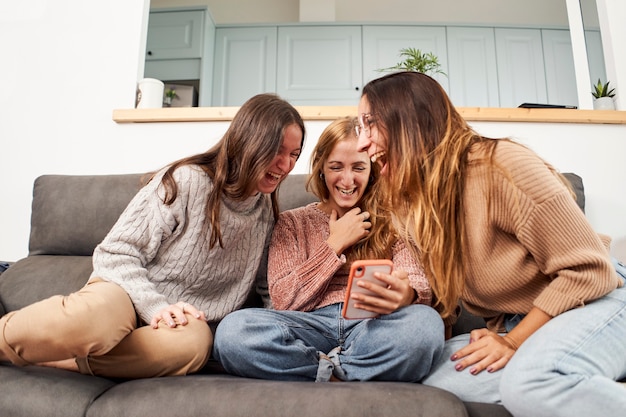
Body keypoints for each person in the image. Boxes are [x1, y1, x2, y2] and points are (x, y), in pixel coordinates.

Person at [355, 71, 626, 417]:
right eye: (358, 127)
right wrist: (407, 296)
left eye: (370, 124)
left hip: (600, 300)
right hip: (522, 323)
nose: (362, 143)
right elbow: (447, 303)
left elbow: (590, 271)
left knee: (530, 383)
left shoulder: (502, 167)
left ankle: (556, 374)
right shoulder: (408, 206)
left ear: (411, 122)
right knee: (424, 382)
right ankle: (579, 376)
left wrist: (513, 343)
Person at [0, 93, 305, 379]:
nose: (287, 165)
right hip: (126, 293)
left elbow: (269, 287)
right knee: (97, 323)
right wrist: (155, 306)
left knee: (194, 345)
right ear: (250, 141)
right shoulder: (187, 182)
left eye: (294, 154)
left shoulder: (265, 214)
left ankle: (68, 362)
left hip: (180, 324)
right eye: (278, 151)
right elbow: (116, 253)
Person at [212, 116, 444, 382]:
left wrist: (406, 294)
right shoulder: (292, 221)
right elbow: (283, 300)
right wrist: (334, 245)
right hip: (308, 326)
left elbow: (419, 286)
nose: (347, 180)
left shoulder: (391, 221)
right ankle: (341, 371)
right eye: (336, 167)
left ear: (372, 171)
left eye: (358, 167)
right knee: (233, 332)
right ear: (322, 168)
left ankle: (332, 369)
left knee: (426, 325)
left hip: (371, 327)